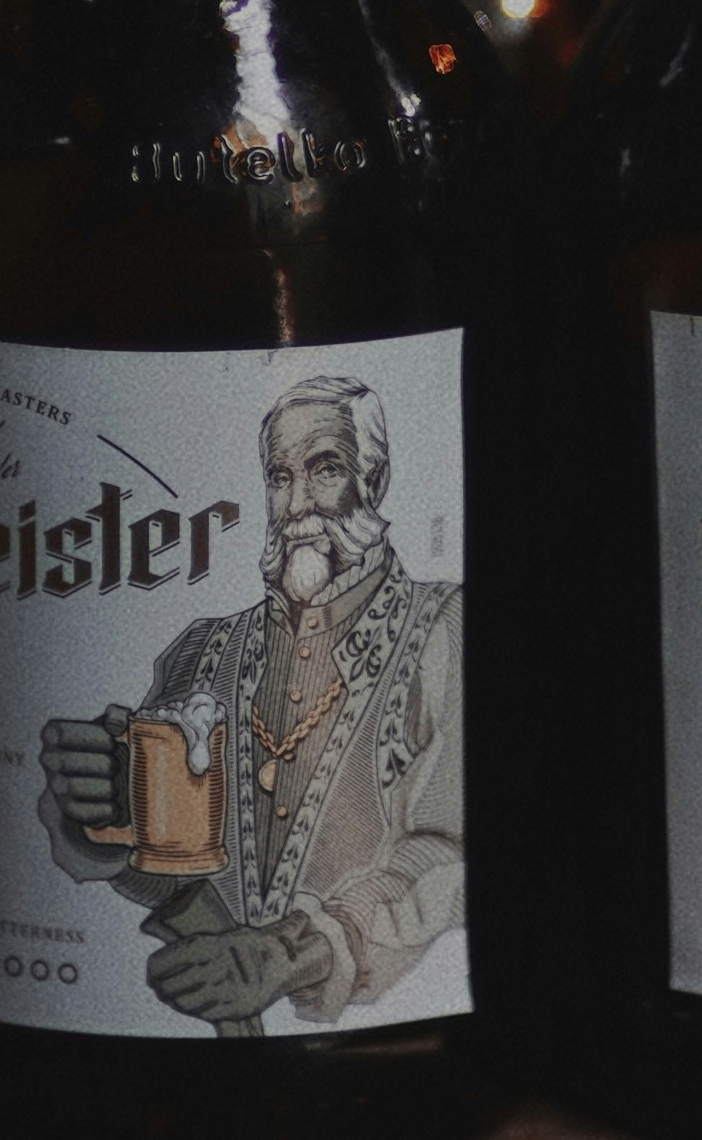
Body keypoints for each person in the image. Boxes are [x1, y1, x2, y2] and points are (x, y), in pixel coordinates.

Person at [36, 376, 463, 1035]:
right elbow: (171, 876)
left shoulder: (445, 627)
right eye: (278, 475)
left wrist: (291, 952)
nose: (296, 503)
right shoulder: (205, 650)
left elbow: (453, 851)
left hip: (385, 1043)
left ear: (374, 479)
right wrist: (107, 817)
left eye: (324, 469)